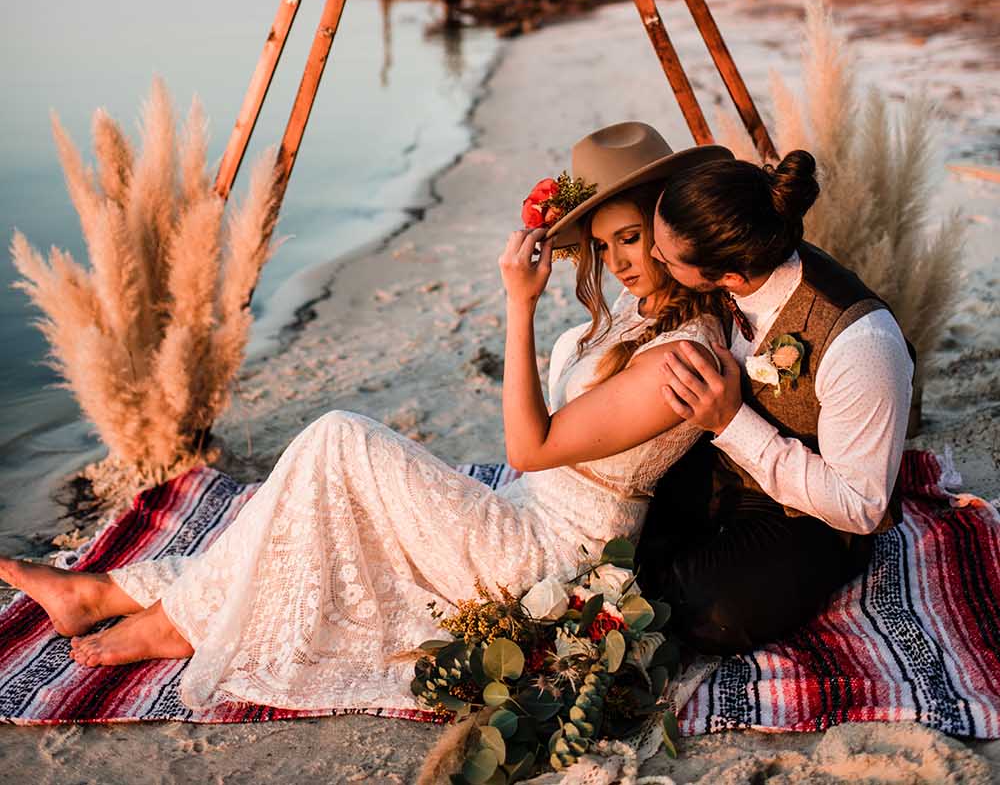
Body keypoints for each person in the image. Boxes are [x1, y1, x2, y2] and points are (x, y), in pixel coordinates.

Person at [0, 121, 729, 715]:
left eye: (629, 237)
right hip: (519, 511)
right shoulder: (637, 316)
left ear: (671, 221)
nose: (618, 261)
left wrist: (519, 305)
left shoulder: (680, 362)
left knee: (338, 440)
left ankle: (170, 621)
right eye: (602, 245)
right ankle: (107, 592)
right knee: (320, 514)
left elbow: (529, 446)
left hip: (546, 560)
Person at [634, 148, 915, 656]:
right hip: (725, 469)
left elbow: (862, 507)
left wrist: (730, 421)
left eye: (665, 257)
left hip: (811, 514)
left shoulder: (862, 343)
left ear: (731, 277)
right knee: (621, 550)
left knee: (702, 612)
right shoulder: (743, 259)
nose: (654, 259)